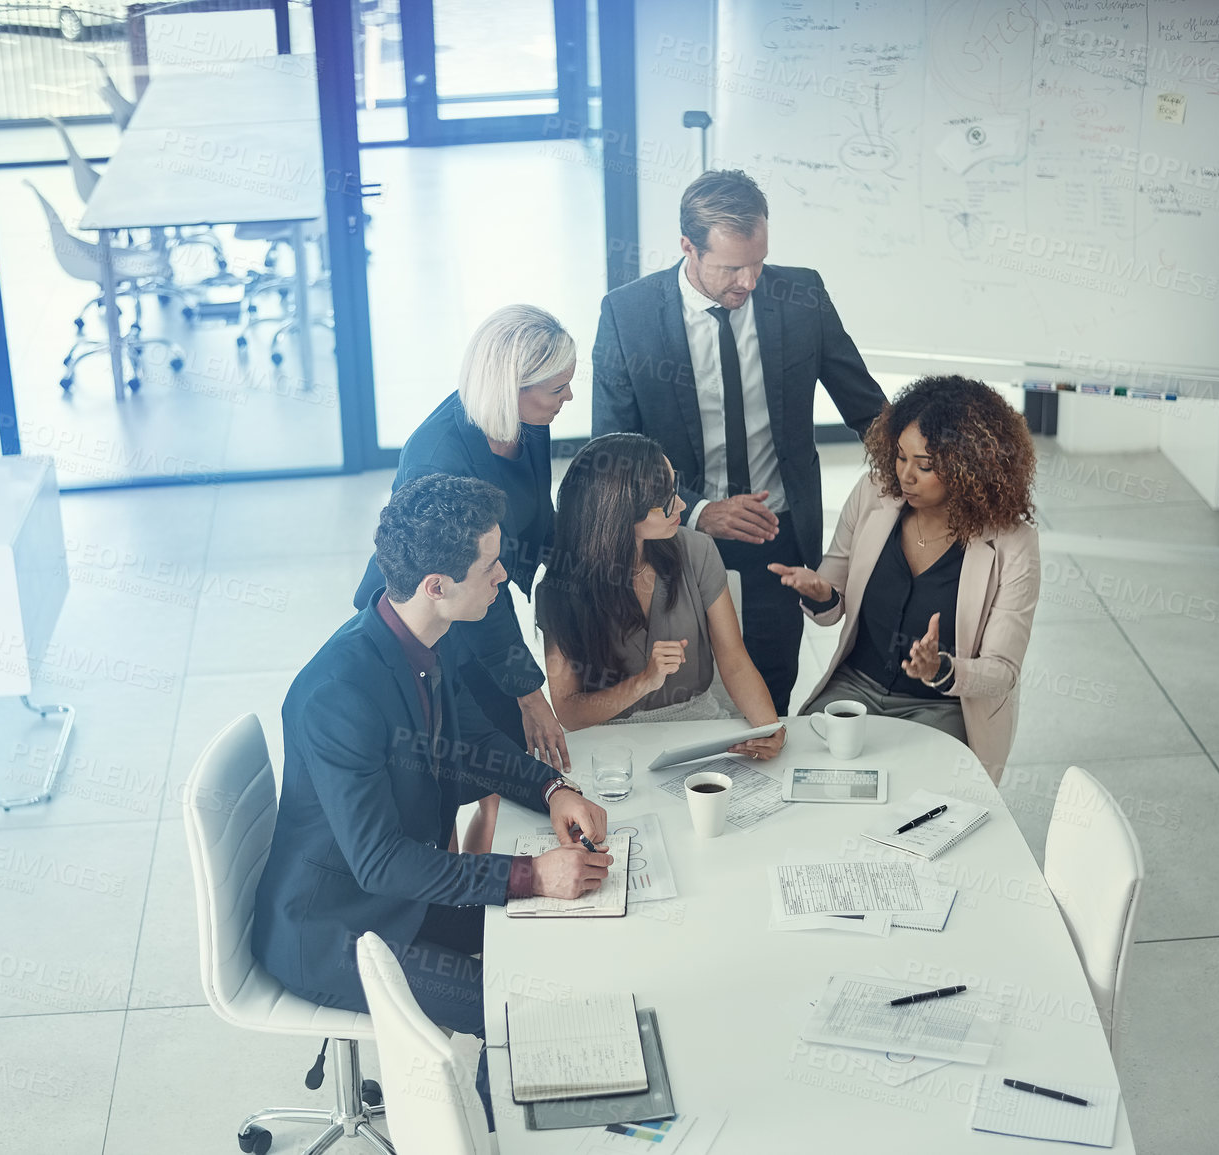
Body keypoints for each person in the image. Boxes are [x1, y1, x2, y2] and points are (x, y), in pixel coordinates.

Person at [257, 473, 611, 1128]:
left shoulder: (417, 638)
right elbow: (381, 864)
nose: (504, 574)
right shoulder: (339, 694)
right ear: (436, 585)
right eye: (489, 564)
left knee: (565, 937)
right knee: (514, 1006)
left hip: (399, 890)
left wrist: (551, 787)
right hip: (337, 926)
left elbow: (470, 736)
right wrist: (530, 873)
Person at [592, 168, 888, 715]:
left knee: (771, 692)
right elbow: (611, 460)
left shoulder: (801, 295)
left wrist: (933, 475)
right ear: (688, 247)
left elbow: (868, 409)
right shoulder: (627, 317)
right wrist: (699, 513)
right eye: (732, 267)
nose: (750, 281)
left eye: (759, 261)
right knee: (682, 696)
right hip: (671, 543)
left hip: (776, 537)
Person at [355, 304, 576, 853]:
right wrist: (531, 693)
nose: (567, 399)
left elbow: (537, 513)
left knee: (498, 760)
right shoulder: (439, 458)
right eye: (557, 389)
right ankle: (459, 898)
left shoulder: (527, 420)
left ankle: (487, 870)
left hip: (477, 599)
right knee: (451, 765)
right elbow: (473, 593)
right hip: (432, 619)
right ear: (511, 388)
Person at [768, 376, 1040, 784]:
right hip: (854, 689)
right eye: (899, 457)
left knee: (918, 807)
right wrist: (822, 593)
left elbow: (1002, 670)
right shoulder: (872, 496)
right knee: (794, 776)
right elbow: (832, 604)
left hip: (941, 706)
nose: (905, 475)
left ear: (970, 468)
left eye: (924, 465)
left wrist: (942, 668)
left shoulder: (1012, 543)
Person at [536, 433, 786, 758]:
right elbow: (569, 711)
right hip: (611, 745)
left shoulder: (697, 550)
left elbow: (734, 660)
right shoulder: (559, 590)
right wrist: (645, 681)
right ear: (619, 512)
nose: (681, 504)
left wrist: (770, 728)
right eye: (666, 499)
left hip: (697, 724)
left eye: (674, 487)